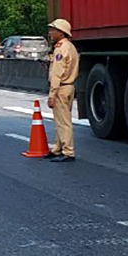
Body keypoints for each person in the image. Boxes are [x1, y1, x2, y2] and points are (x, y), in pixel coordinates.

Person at [47, 18, 79, 162]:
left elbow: (57, 74)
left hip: (61, 88)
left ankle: (68, 151)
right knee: (62, 119)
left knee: (63, 122)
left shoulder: (60, 48)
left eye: (53, 30)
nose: (51, 32)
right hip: (69, 86)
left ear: (61, 32)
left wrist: (52, 95)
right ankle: (58, 148)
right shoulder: (71, 47)